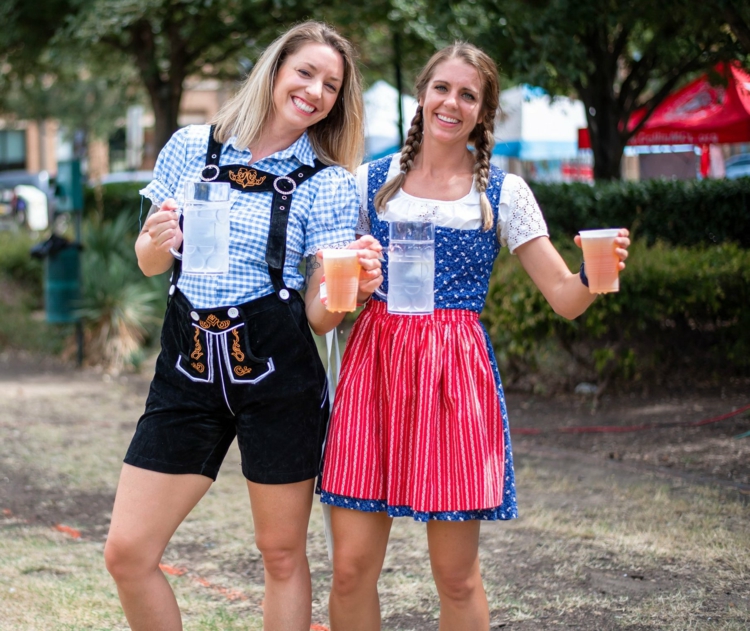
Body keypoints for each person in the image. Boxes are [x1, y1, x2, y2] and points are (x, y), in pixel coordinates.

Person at [319, 43, 630, 630]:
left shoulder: (504, 194)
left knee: (457, 578)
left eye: (469, 95)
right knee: (350, 571)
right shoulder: (370, 182)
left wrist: (597, 271)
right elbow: (330, 298)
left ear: (484, 111)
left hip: (454, 379)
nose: (452, 103)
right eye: (443, 88)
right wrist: (354, 286)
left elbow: (565, 298)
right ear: (422, 93)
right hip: (375, 372)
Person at [103, 22, 381, 631]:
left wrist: (349, 291)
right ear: (275, 69)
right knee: (127, 554)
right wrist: (154, 240)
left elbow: (319, 315)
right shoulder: (190, 147)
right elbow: (151, 262)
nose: (314, 90)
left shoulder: (329, 183)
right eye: (304, 72)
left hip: (279, 380)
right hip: (186, 370)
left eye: (331, 85)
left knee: (280, 554)